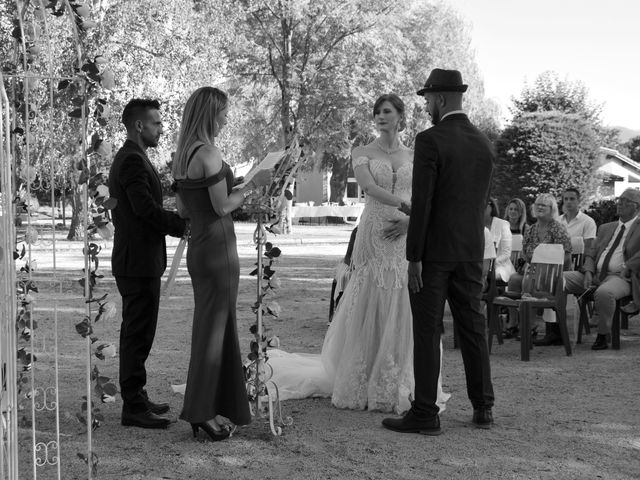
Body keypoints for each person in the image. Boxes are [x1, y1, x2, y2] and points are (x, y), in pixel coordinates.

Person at [269, 93, 450, 414]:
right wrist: (403, 205)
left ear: (400, 116)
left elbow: (427, 193)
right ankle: (362, 376)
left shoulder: (415, 153)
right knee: (371, 293)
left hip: (406, 231)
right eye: (378, 112)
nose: (381, 116)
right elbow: (368, 187)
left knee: (403, 297)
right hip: (374, 230)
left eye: (387, 111)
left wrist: (411, 221)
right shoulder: (362, 151)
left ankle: (398, 378)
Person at [382, 68, 495, 435]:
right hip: (471, 250)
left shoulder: (431, 139)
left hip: (434, 254)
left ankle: (426, 412)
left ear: (441, 99)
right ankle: (483, 407)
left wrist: (413, 256)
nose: (427, 105)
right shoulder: (483, 142)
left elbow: (424, 202)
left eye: (428, 99)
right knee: (473, 328)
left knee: (428, 331)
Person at [172, 87, 272, 441]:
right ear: (210, 114)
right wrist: (253, 184)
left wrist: (236, 186)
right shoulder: (209, 154)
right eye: (224, 112)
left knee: (212, 328)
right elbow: (222, 207)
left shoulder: (182, 155)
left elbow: (185, 209)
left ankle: (211, 407)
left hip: (199, 246)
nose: (227, 118)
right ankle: (203, 411)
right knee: (214, 333)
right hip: (217, 247)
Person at [109, 99, 187, 429]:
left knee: (141, 332)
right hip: (136, 261)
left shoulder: (137, 157)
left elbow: (147, 205)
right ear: (139, 126)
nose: (160, 128)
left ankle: (137, 397)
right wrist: (183, 226)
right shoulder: (130, 160)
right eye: (156, 123)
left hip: (142, 260)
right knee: (136, 333)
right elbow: (144, 209)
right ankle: (132, 407)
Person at [564, 188, 640, 350]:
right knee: (559, 278)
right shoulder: (606, 227)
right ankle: (557, 330)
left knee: (605, 292)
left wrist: (629, 266)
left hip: (620, 276)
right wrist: (589, 271)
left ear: (637, 207)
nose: (620, 204)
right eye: (620, 200)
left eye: (626, 201)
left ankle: (604, 334)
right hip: (596, 274)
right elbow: (591, 253)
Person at [506, 193, 572, 346]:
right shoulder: (531, 229)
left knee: (529, 280)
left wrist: (554, 272)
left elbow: (567, 256)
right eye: (537, 204)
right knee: (514, 279)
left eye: (544, 205)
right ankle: (514, 324)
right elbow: (526, 253)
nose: (540, 207)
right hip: (533, 270)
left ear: (552, 209)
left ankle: (528, 326)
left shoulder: (558, 228)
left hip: (553, 275)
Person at [485, 197, 513, 282]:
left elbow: (506, 253)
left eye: (486, 204)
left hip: (500, 266)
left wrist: (490, 265)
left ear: (492, 206)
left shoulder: (503, 224)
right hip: (480, 266)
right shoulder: (474, 225)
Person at [559, 187, 596, 251]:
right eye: (566, 199)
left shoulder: (588, 221)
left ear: (579, 201)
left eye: (572, 199)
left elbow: (588, 248)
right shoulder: (557, 220)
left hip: (577, 259)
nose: (568, 202)